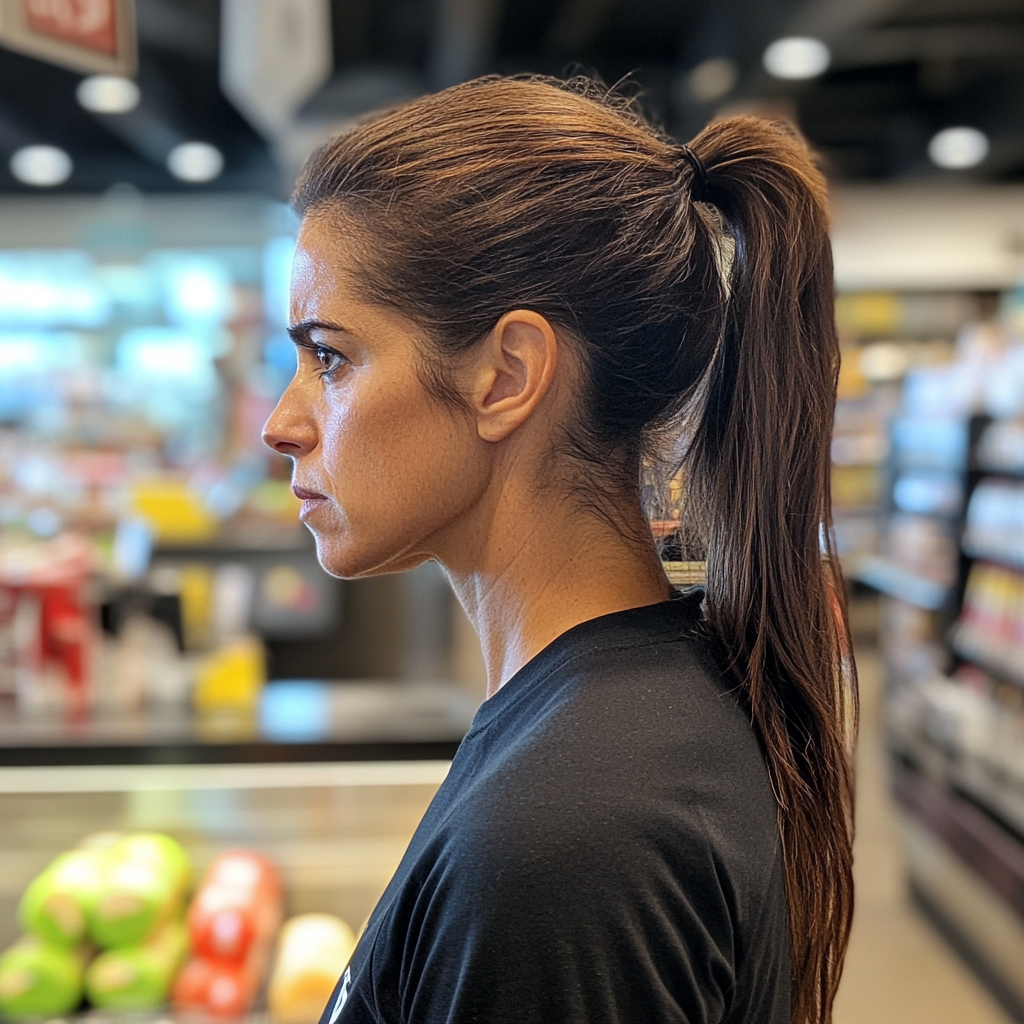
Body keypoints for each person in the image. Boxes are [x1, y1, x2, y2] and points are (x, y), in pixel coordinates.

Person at [263, 75, 856, 1024]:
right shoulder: (611, 719)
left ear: (508, 375)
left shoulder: (568, 838)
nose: (280, 423)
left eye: (329, 357)